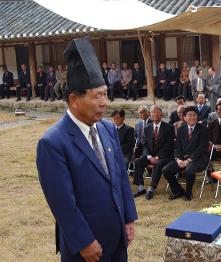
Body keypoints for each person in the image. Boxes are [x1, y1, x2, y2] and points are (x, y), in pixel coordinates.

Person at [36, 37, 137, 261]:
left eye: (105, 94)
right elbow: (62, 202)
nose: (104, 102)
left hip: (117, 237)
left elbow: (120, 176)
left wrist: (129, 218)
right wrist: (84, 241)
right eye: (97, 96)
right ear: (74, 99)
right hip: (86, 246)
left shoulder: (108, 129)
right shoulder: (53, 143)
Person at [162, 106, 209, 201]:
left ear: (197, 116)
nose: (192, 117)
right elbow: (177, 147)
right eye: (189, 115)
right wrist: (178, 159)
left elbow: (202, 149)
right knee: (166, 170)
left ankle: (188, 193)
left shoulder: (204, 130)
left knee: (189, 170)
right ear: (184, 117)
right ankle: (177, 191)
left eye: (194, 115)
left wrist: (188, 161)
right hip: (182, 158)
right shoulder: (181, 129)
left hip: (199, 159)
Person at [133, 106, 175, 200]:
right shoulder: (147, 128)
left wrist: (157, 157)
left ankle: (151, 189)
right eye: (153, 112)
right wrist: (149, 157)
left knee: (158, 163)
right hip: (150, 155)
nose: (155, 114)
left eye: (157, 112)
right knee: (138, 161)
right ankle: (140, 188)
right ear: (150, 115)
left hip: (164, 156)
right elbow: (144, 145)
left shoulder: (169, 127)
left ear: (161, 114)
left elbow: (169, 145)